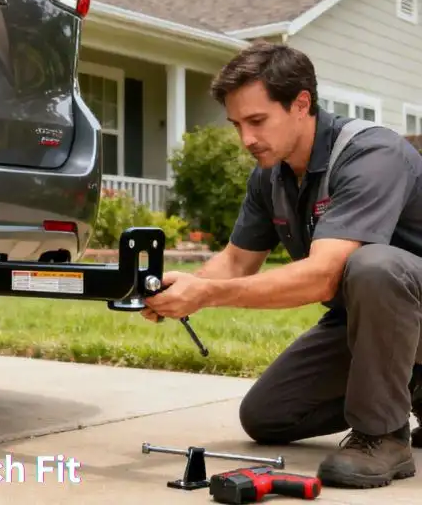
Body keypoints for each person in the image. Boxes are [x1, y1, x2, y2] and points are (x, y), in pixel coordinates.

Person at [142, 40, 422, 489]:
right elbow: (237, 261)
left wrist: (207, 294)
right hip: (371, 323)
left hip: (404, 305)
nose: (246, 139)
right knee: (268, 415)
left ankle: (383, 435)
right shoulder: (271, 176)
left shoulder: (372, 154)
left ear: (301, 104)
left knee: (374, 266)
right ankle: (413, 385)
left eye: (257, 121)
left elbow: (323, 277)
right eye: (237, 124)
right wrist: (175, 287)